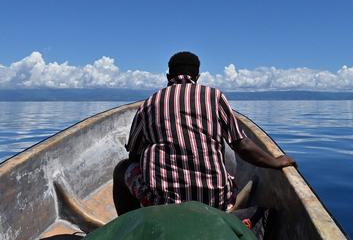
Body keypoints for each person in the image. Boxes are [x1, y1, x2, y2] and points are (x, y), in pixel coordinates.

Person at [113, 51, 296, 215]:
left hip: (162, 203)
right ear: (197, 76)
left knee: (121, 169)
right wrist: (275, 162)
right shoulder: (215, 97)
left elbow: (134, 154)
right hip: (216, 201)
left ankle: (131, 227)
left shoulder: (149, 103)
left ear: (168, 76)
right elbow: (242, 144)